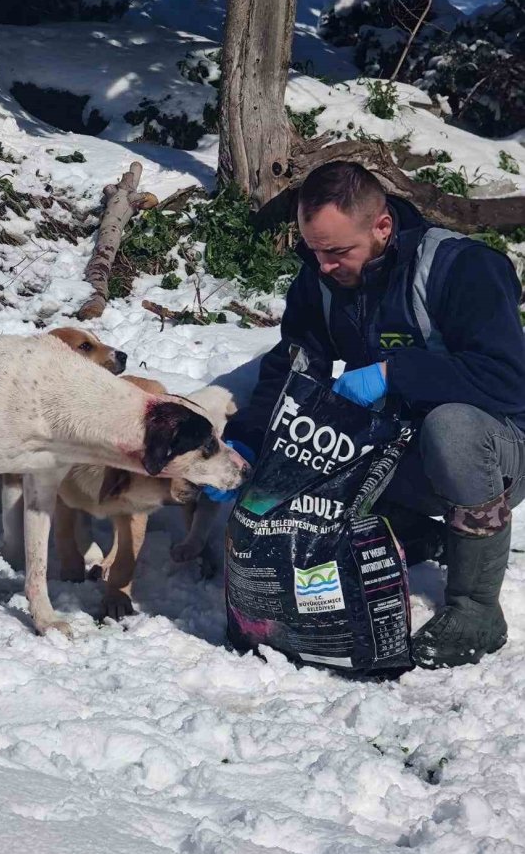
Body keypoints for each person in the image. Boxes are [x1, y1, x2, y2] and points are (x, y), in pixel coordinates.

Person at [216, 161, 525, 670]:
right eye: (314, 251)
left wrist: (393, 374)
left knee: (452, 427)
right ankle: (426, 535)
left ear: (382, 226)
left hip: (497, 448)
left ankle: (476, 609)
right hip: (399, 443)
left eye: (337, 252)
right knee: (302, 451)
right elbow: (293, 367)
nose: (324, 266)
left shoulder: (460, 267)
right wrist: (250, 441)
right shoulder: (323, 280)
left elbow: (507, 380)